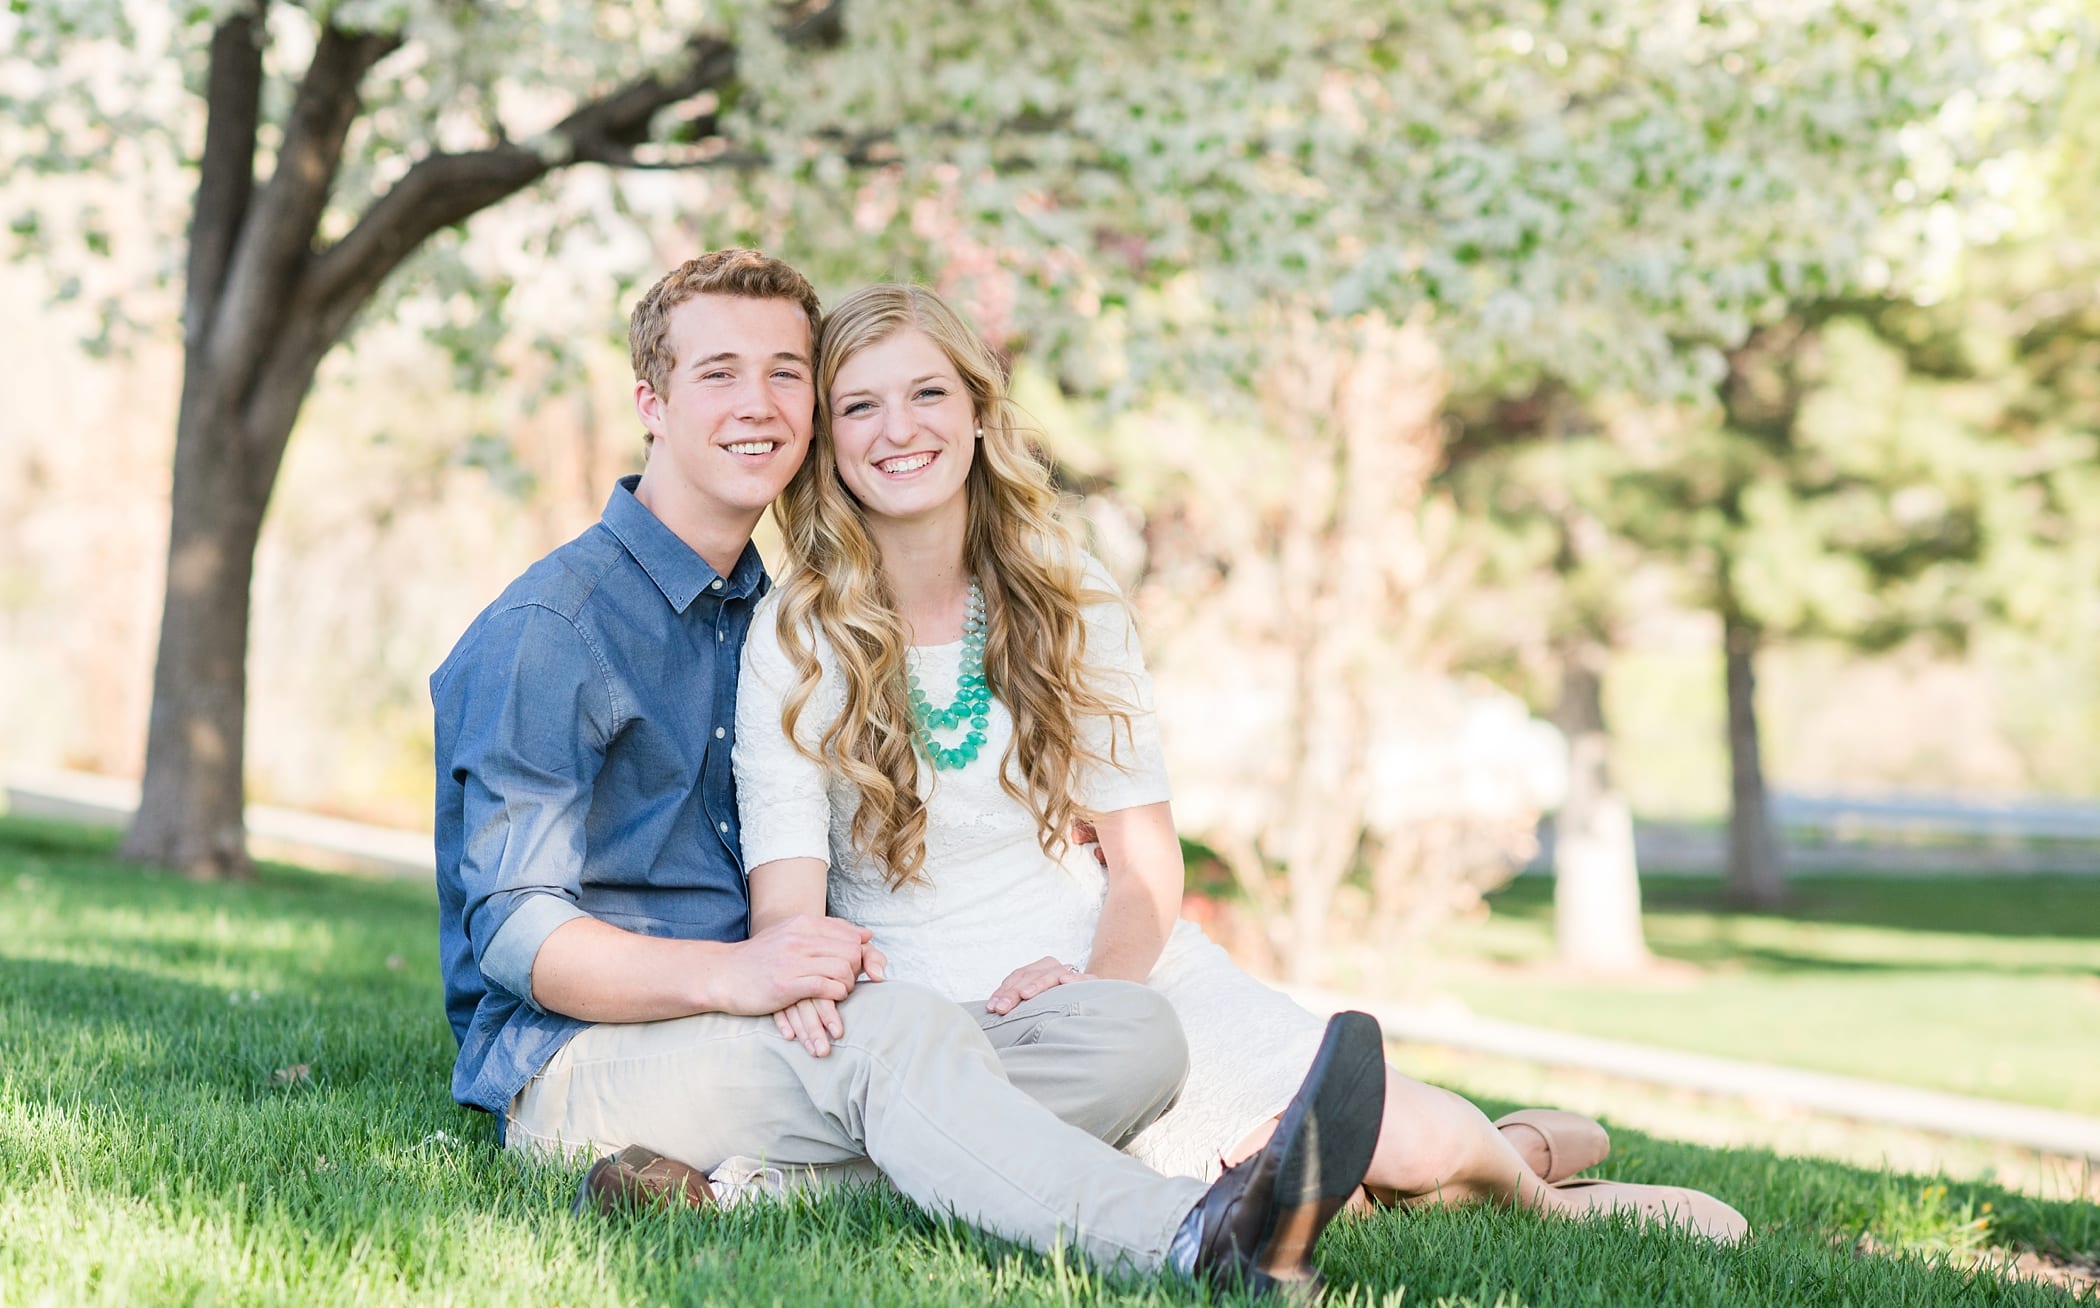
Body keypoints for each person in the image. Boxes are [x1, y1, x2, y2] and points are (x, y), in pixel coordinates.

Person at [430, 249, 1389, 1296]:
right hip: (586, 1063)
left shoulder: (754, 606)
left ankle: (755, 1190)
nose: (759, 403)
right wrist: (746, 972)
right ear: (651, 403)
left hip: (767, 1035)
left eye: (786, 372)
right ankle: (1190, 1233)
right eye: (719, 373)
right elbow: (517, 935)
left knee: (1128, 1035)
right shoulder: (553, 630)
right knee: (895, 1038)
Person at [733, 282, 1748, 1242]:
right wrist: (817, 983)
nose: (897, 429)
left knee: (1392, 1135)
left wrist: (1097, 991)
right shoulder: (796, 632)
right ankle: (1521, 1139)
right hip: (938, 1018)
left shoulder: (1068, 599)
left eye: (926, 393)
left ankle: (1528, 1185)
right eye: (859, 406)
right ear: (828, 442)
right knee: (1273, 1194)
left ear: (978, 412)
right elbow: (788, 903)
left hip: (1115, 975)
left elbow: (1142, 865)